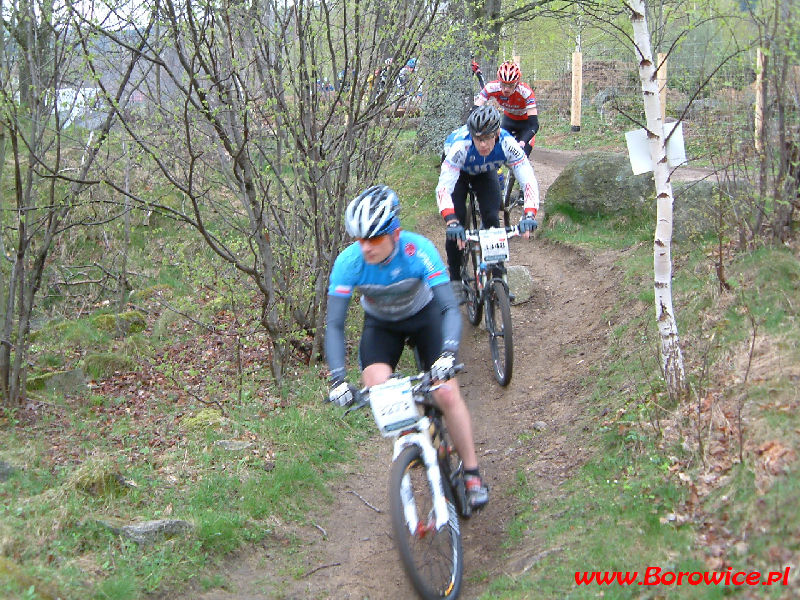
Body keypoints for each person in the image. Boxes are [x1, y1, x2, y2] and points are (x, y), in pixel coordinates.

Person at [325, 185, 489, 511]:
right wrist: (338, 379)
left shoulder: (419, 250)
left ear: (395, 234)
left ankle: (471, 472)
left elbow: (447, 308)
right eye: (360, 239)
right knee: (377, 385)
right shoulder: (349, 262)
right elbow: (335, 325)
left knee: (445, 391)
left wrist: (449, 353)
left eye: (373, 239)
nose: (365, 247)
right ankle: (417, 440)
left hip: (425, 316)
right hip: (382, 327)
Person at [436, 105, 540, 300]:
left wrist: (529, 213)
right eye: (478, 139)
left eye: (487, 138)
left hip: (485, 173)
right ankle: (456, 280)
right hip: (458, 175)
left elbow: (528, 179)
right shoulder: (460, 146)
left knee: (492, 217)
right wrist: (451, 221)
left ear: (497, 133)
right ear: (471, 135)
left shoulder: (508, 144)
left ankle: (499, 279)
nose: (483, 144)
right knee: (456, 221)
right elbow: (443, 188)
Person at [472, 60, 539, 156]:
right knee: (495, 153)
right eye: (503, 84)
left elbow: (534, 125)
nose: (506, 89)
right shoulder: (492, 87)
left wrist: (522, 142)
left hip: (526, 124)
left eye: (511, 85)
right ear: (499, 81)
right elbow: (475, 109)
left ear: (517, 83)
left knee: (521, 157)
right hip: (508, 121)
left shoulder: (526, 92)